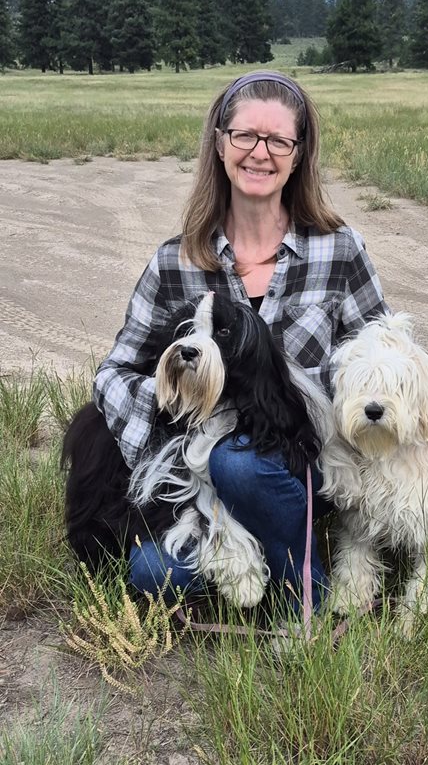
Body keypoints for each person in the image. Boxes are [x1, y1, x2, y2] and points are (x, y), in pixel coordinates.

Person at [93, 70, 390, 613]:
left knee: (239, 463)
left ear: (298, 155)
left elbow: (382, 357)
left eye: (278, 140)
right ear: (220, 144)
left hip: (301, 461)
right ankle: (250, 552)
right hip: (198, 476)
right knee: (154, 572)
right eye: (245, 136)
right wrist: (173, 408)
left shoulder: (339, 250)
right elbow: (113, 373)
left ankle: (304, 592)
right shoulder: (174, 262)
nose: (260, 153)